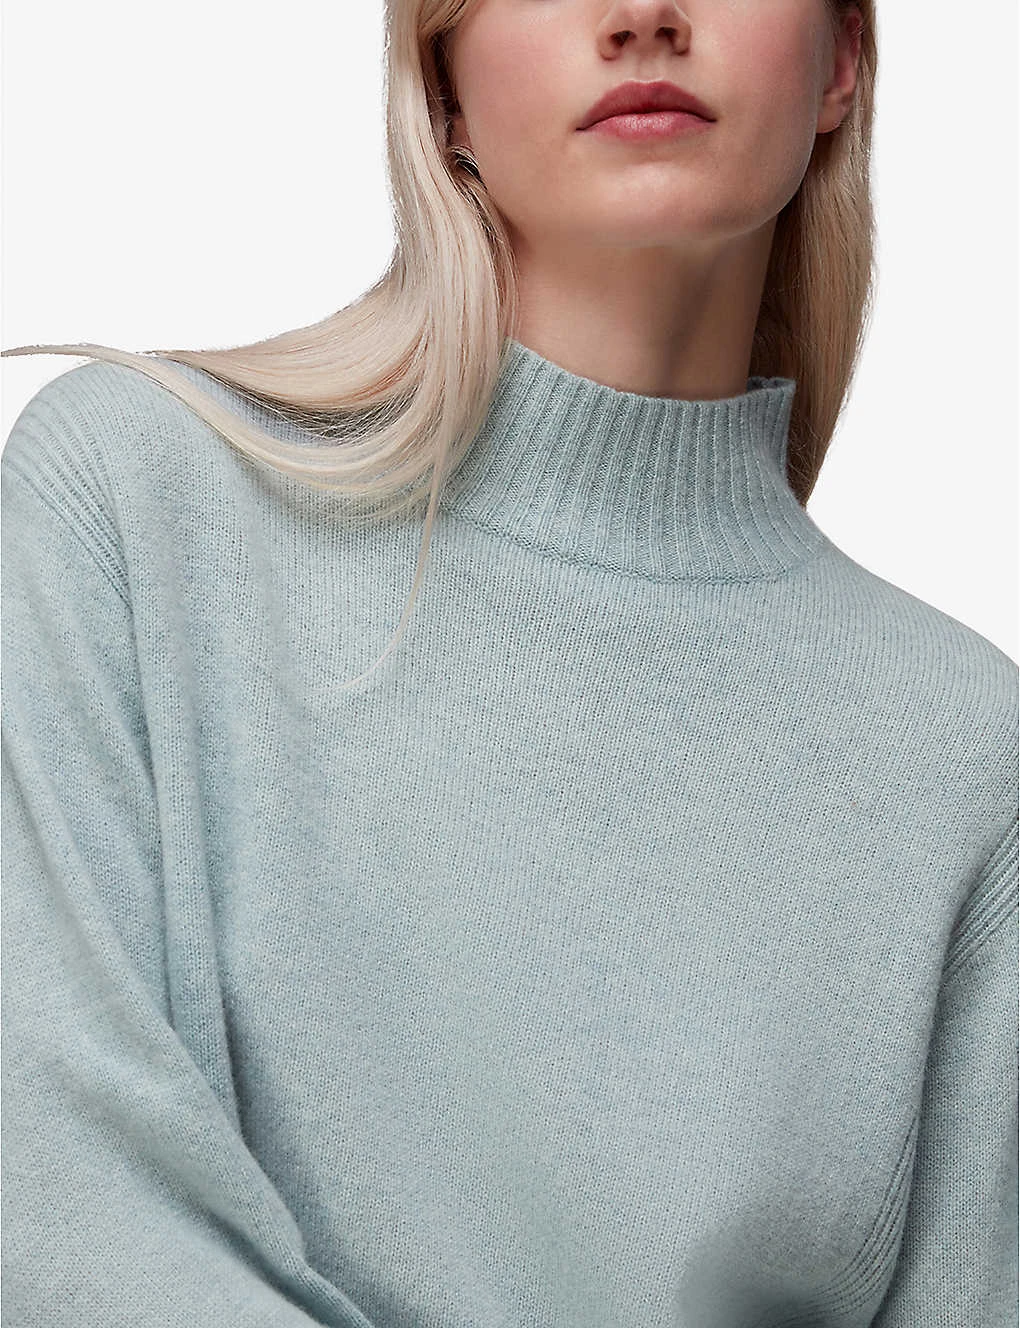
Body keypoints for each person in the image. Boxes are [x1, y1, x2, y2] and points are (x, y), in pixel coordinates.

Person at [2, 0, 1016, 1324]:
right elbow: (61, 1214)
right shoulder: (131, 509)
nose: (643, 17)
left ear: (844, 62)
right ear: (441, 83)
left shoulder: (966, 752)